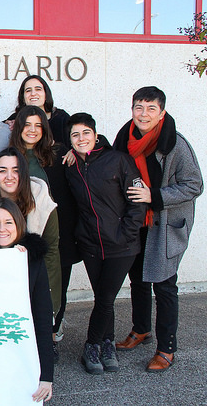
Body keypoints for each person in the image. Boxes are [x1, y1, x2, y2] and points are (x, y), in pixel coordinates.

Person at [113, 86, 203, 372]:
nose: (144, 113)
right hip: (136, 222)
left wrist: (155, 196)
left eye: (151, 108)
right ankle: (141, 330)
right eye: (139, 107)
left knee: (164, 286)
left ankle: (166, 348)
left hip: (164, 225)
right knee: (138, 280)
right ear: (132, 109)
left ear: (161, 112)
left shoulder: (175, 143)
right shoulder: (123, 138)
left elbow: (194, 184)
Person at [65, 113, 146, 375]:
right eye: (75, 135)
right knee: (104, 298)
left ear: (95, 134)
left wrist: (127, 233)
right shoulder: (71, 165)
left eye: (85, 133)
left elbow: (138, 201)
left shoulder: (119, 160)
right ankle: (108, 343)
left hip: (121, 245)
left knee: (105, 297)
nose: (81, 139)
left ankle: (91, 345)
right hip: (90, 244)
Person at [9, 105, 81, 358]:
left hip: (53, 229)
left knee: (52, 281)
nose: (32, 130)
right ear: (19, 127)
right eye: (27, 125)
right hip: (19, 233)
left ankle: (49, 336)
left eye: (38, 125)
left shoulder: (57, 154)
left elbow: (92, 142)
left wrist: (78, 150)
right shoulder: (10, 156)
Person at [0, 198, 53, 403]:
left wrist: (46, 377)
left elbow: (42, 320)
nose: (1, 229)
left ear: (19, 225)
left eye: (8, 222)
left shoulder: (32, 260)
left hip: (19, 350)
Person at [0, 147, 61, 331]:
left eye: (16, 170)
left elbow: (51, 250)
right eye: (2, 170)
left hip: (34, 276)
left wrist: (50, 302)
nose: (9, 176)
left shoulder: (41, 198)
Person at [6, 75, 70, 145]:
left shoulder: (61, 118)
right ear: (23, 98)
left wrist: (71, 152)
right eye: (28, 90)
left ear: (46, 94)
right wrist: (6, 125)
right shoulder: (16, 118)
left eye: (38, 89)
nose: (33, 94)